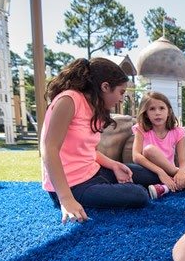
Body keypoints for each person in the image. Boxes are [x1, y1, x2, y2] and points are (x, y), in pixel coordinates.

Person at [40, 57, 157, 224]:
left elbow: (88, 150)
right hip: (73, 186)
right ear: (105, 87)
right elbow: (49, 148)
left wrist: (114, 165)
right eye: (121, 92)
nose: (121, 98)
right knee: (139, 194)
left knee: (149, 174)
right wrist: (66, 199)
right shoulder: (68, 100)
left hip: (93, 172)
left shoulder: (94, 108)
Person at [131, 91, 185, 199]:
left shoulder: (177, 131)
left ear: (168, 111)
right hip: (151, 172)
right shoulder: (141, 129)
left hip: (172, 174)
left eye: (162, 108)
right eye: (152, 109)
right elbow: (136, 156)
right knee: (149, 150)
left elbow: (183, 162)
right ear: (146, 114)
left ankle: (164, 188)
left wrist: (181, 172)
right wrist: (160, 172)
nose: (157, 112)